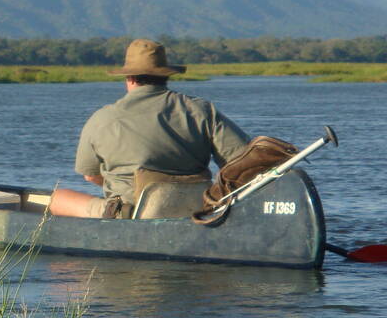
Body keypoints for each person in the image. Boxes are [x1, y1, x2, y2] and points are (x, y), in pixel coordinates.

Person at [49, 39, 250, 218]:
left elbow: (91, 175)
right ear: (166, 76)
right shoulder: (201, 110)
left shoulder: (102, 118)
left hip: (130, 213)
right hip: (196, 208)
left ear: (129, 78)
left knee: (58, 197)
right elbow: (242, 161)